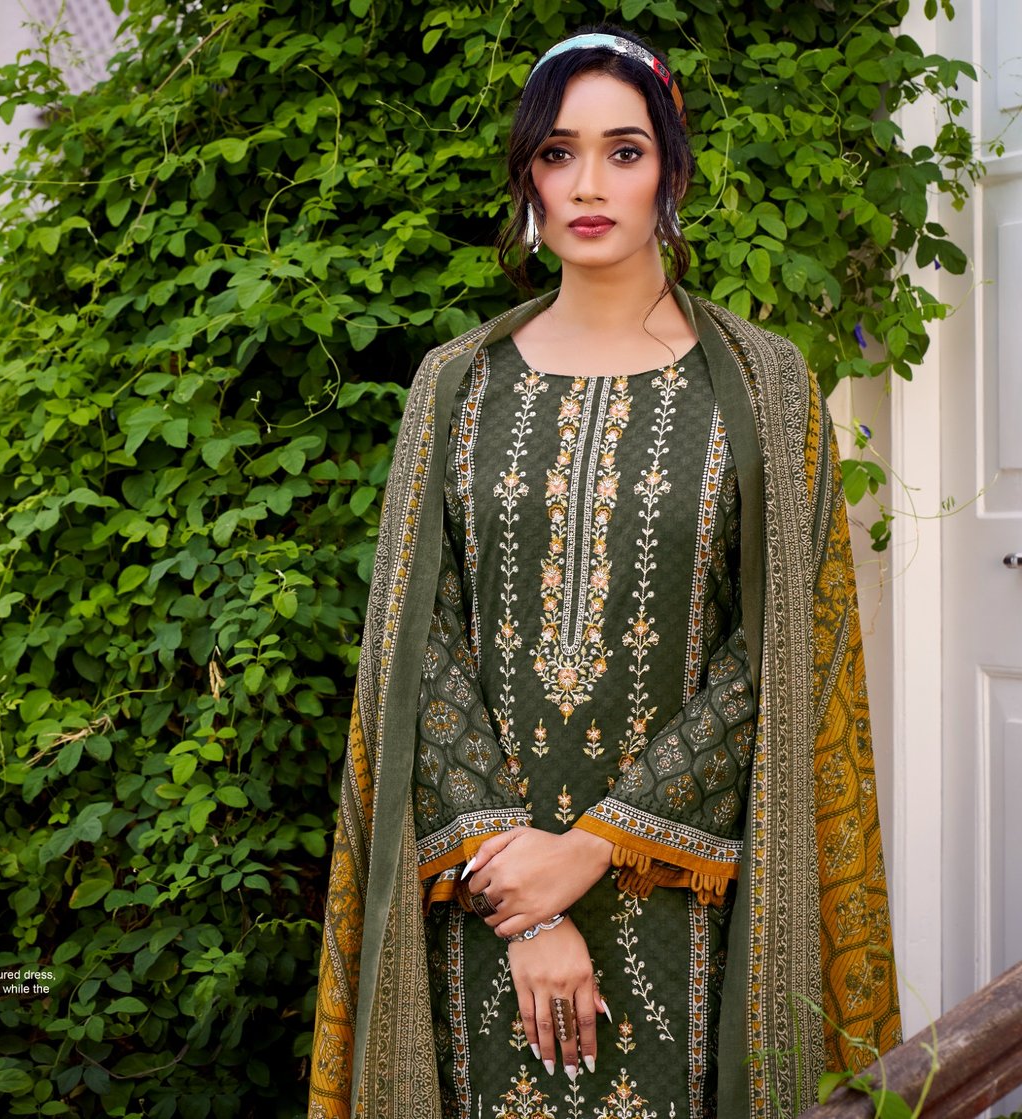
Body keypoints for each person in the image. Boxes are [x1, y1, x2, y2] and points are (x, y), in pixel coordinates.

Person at [307, 25, 900, 1119]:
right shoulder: (455, 385)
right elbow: (416, 647)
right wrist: (527, 902)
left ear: (671, 171)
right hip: (482, 897)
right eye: (557, 153)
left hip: (692, 899)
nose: (588, 184)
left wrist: (591, 847)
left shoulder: (766, 387)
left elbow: (782, 651)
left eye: (623, 152)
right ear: (527, 177)